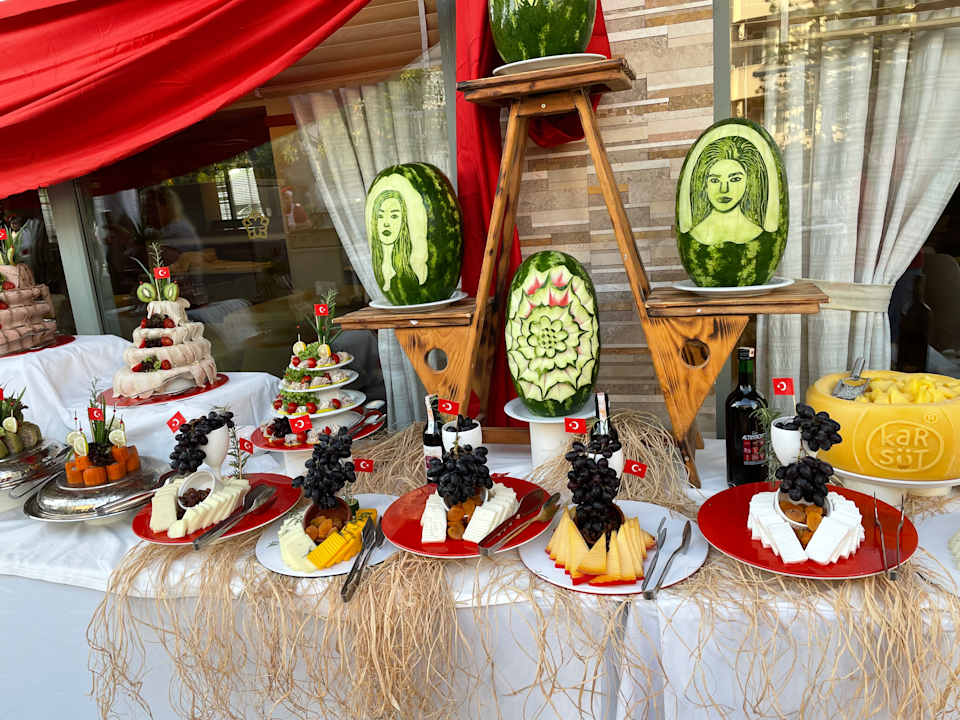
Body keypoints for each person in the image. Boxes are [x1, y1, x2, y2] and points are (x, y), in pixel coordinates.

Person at [688, 135, 768, 247]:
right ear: (704, 184)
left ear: (749, 182)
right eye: (715, 180)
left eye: (735, 179)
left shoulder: (760, 233)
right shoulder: (694, 234)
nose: (724, 189)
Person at [368, 189, 426, 292]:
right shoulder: (377, 268)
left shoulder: (412, 272)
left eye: (394, 216)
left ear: (403, 221)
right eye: (380, 216)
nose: (386, 223)